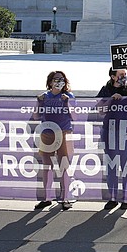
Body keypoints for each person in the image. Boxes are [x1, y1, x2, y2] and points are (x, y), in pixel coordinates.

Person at [97, 65, 127, 211]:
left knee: (126, 164)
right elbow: (99, 109)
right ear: (113, 76)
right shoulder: (106, 89)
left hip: (126, 132)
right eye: (121, 74)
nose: (124, 77)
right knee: (111, 165)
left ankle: (126, 197)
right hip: (109, 131)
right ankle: (112, 197)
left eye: (125, 74)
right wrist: (110, 100)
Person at [34, 71, 76, 211]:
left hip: (64, 132)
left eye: (62, 79)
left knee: (64, 165)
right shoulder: (45, 96)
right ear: (50, 82)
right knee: (47, 167)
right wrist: (39, 102)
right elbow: (35, 116)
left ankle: (65, 198)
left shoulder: (69, 96)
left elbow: (74, 116)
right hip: (47, 132)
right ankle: (47, 198)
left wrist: (67, 102)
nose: (59, 81)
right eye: (56, 79)